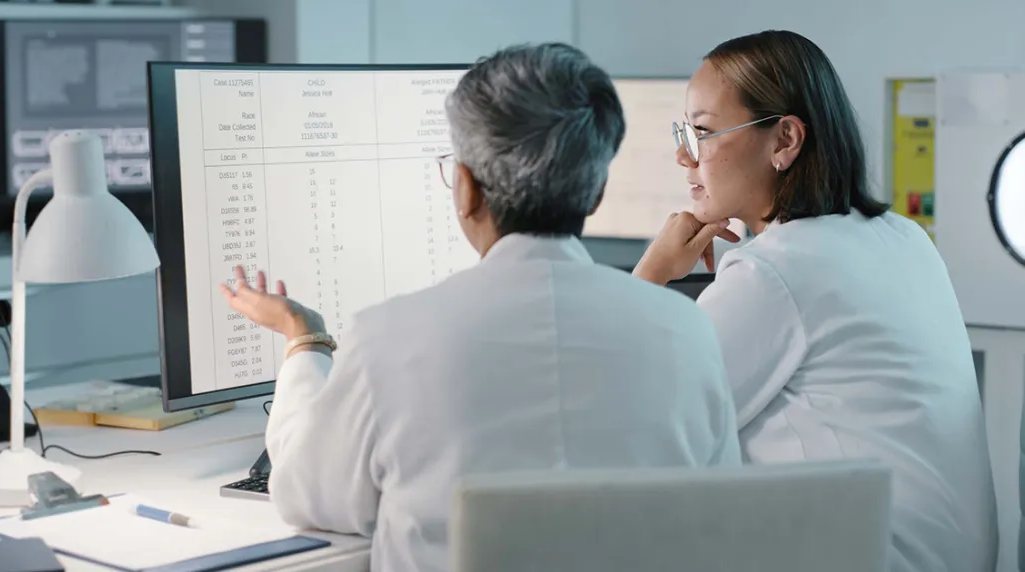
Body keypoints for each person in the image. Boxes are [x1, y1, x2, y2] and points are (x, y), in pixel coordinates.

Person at [219, 43, 741, 572]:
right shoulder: (685, 329)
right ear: (596, 192)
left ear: (465, 188)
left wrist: (304, 339)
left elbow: (308, 496)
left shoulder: (390, 337)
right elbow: (717, 509)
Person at [633, 30, 998, 572]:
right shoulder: (902, 235)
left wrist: (652, 272)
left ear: (784, 141)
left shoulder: (774, 271)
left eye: (703, 132)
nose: (684, 156)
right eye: (683, 131)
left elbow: (637, 425)